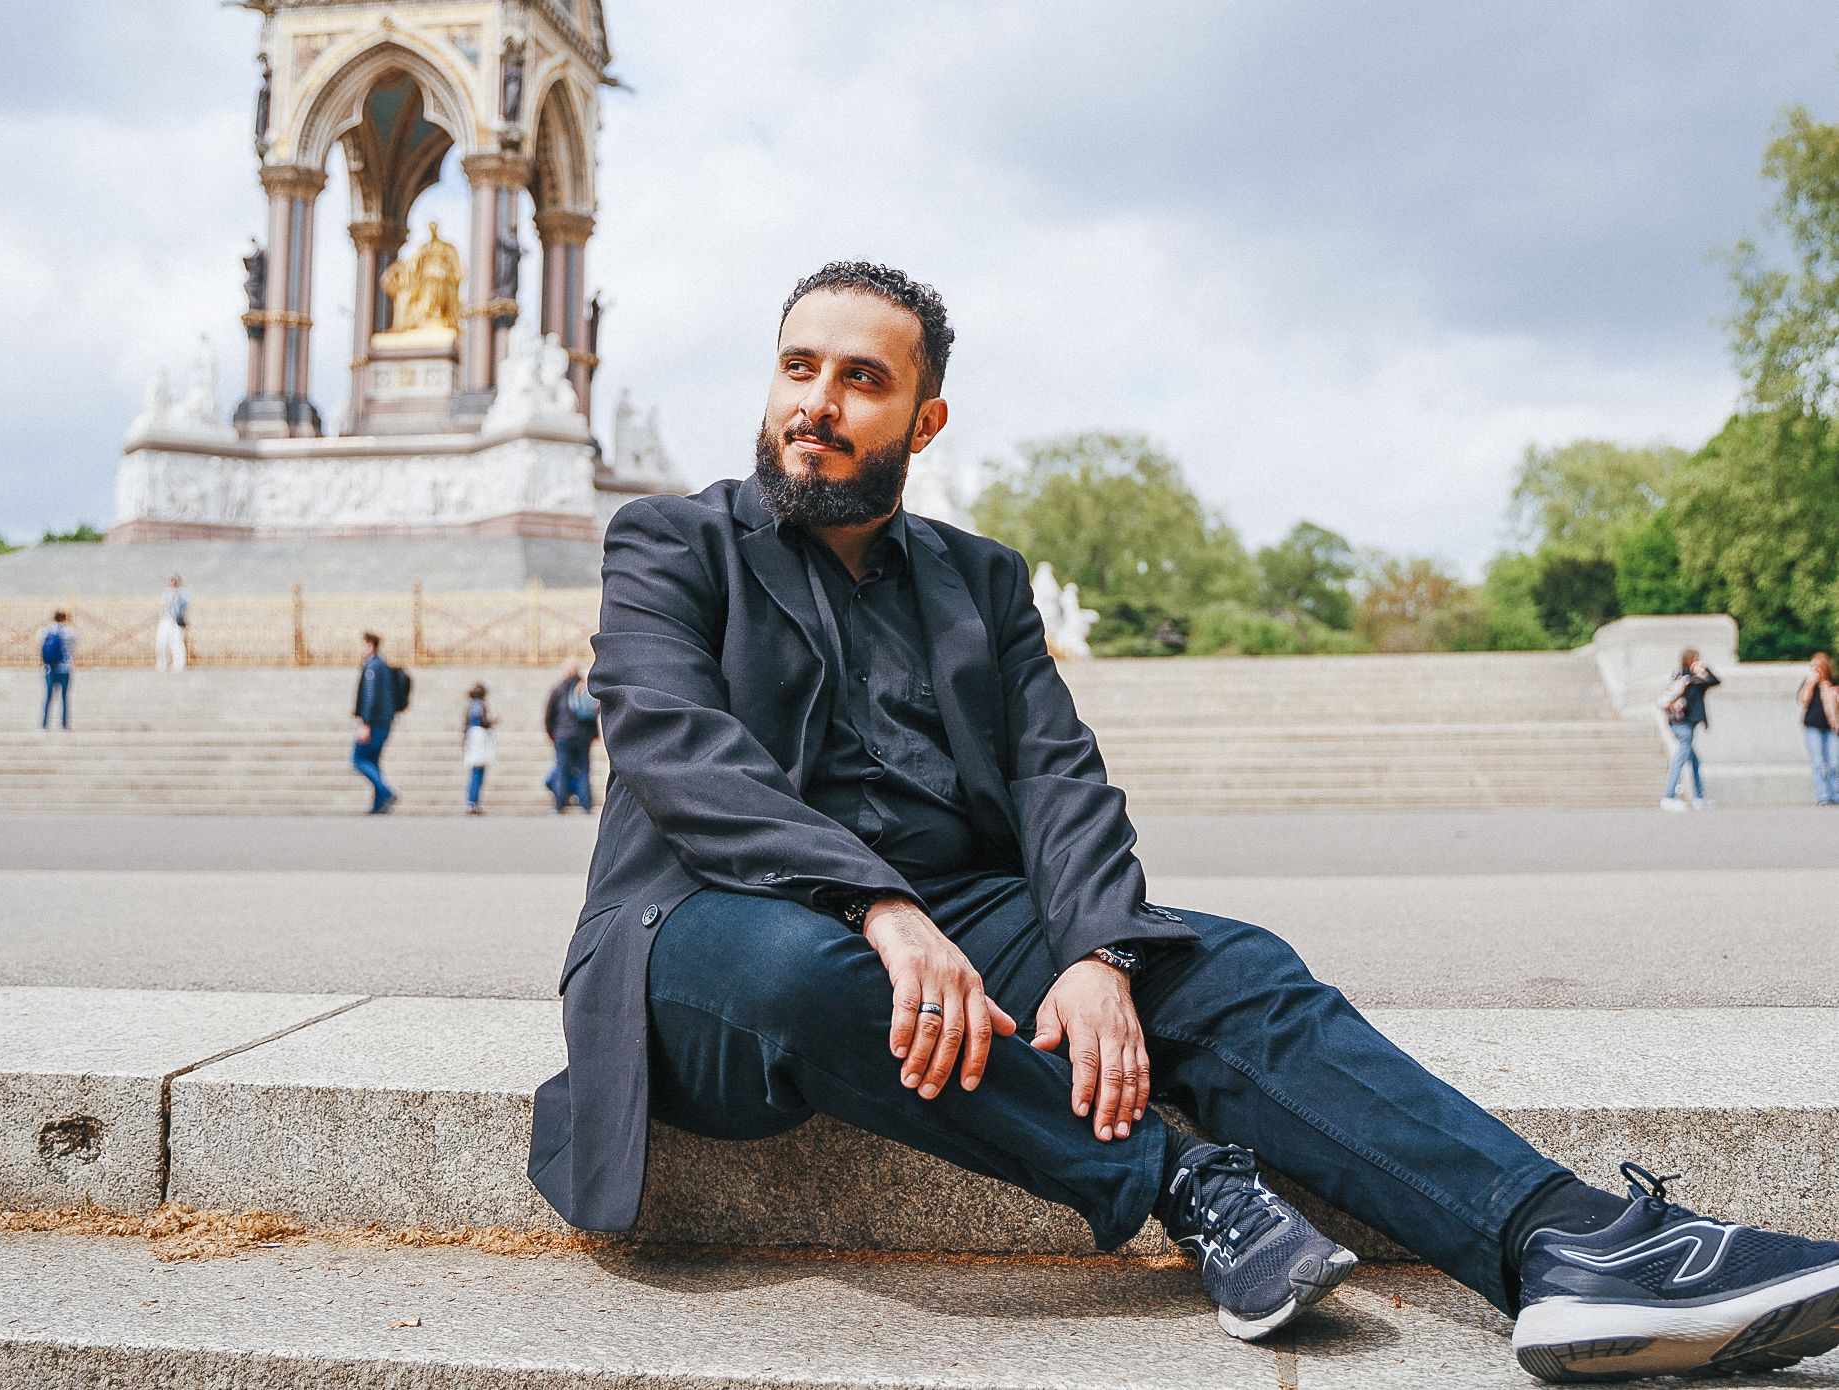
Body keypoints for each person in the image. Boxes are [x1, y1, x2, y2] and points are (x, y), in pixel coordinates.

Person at [525, 262, 1839, 1383]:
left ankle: (1571, 1243)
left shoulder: (980, 578)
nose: (815, 401)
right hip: (703, 932)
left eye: (860, 379)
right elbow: (677, 751)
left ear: (925, 419)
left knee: (1228, 967)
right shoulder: (669, 543)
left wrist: (1098, 952)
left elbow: (1060, 778)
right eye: (796, 366)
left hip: (959, 917)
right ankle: (1182, 1182)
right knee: (805, 967)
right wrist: (878, 904)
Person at [352, 632, 409, 814]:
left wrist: (366, 723)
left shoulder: (372, 666)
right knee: (373, 761)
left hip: (375, 722)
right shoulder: (383, 665)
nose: (359, 649)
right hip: (386, 720)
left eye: (362, 644)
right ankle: (378, 804)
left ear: (370, 644)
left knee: (358, 759)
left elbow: (371, 697)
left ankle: (386, 792)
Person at [1660, 646, 1721, 811]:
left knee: (1694, 761)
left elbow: (1715, 681)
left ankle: (1699, 797)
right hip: (1682, 724)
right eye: (1696, 660)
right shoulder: (1686, 680)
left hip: (1687, 724)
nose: (1698, 663)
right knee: (1679, 760)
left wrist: (1704, 669)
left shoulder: (1697, 679)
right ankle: (1669, 796)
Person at [541, 658, 600, 813]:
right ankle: (586, 804)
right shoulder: (584, 688)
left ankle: (559, 804)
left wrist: (551, 732)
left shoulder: (558, 689)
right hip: (583, 736)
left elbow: (549, 714)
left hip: (563, 736)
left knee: (563, 769)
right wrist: (593, 734)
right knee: (584, 770)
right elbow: (592, 713)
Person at [1800, 652, 1839, 806]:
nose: (1817, 669)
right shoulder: (1809, 683)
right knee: (1818, 762)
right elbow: (1804, 701)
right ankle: (1823, 796)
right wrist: (1812, 683)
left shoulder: (1833, 682)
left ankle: (1836, 794)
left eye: (1820, 666)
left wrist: (1831, 692)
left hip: (1832, 727)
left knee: (1834, 762)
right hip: (1813, 726)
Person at [461, 682, 496, 815]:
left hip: (472, 738)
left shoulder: (470, 706)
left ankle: (472, 801)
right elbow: (484, 722)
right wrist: (493, 721)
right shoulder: (480, 705)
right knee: (477, 772)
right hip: (479, 740)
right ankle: (473, 801)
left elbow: (465, 724)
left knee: (474, 772)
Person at [38, 610, 75, 731]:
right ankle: (64, 725)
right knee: (64, 697)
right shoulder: (69, 632)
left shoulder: (46, 630)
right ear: (64, 618)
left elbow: (39, 642)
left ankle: (44, 724)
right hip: (65, 668)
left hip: (50, 668)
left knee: (48, 697)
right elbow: (76, 642)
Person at [156, 575, 189, 673]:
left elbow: (185, 604)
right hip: (165, 619)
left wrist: (177, 596)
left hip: (176, 621)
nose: (173, 582)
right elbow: (163, 605)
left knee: (176, 643)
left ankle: (178, 665)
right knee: (161, 642)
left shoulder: (182, 592)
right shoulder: (166, 592)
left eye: (174, 580)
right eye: (171, 580)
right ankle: (161, 664)